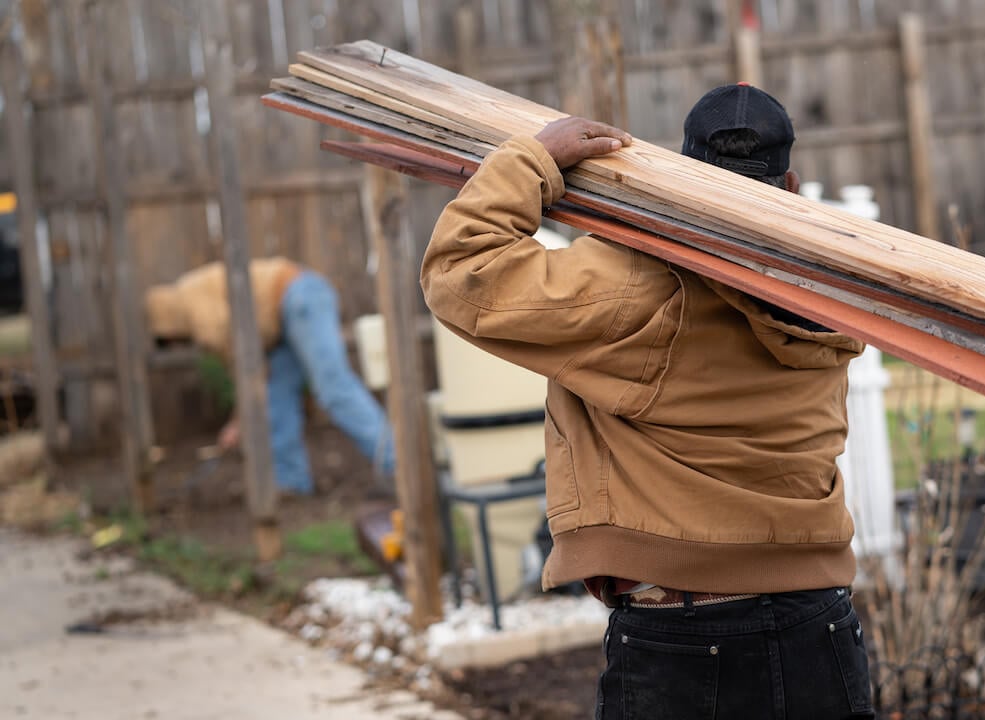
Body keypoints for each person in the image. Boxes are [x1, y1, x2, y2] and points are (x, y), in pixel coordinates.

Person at [421, 84, 875, 719]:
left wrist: (533, 160)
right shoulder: (832, 293)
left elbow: (461, 274)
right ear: (791, 185)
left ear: (683, 174)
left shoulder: (632, 286)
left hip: (685, 637)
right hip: (819, 622)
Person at [144, 258, 395, 495]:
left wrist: (237, 421)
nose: (177, 346)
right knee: (277, 398)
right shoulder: (191, 297)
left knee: (334, 389)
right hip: (279, 322)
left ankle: (396, 464)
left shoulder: (198, 314)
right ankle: (291, 483)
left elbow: (245, 366)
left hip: (299, 296)